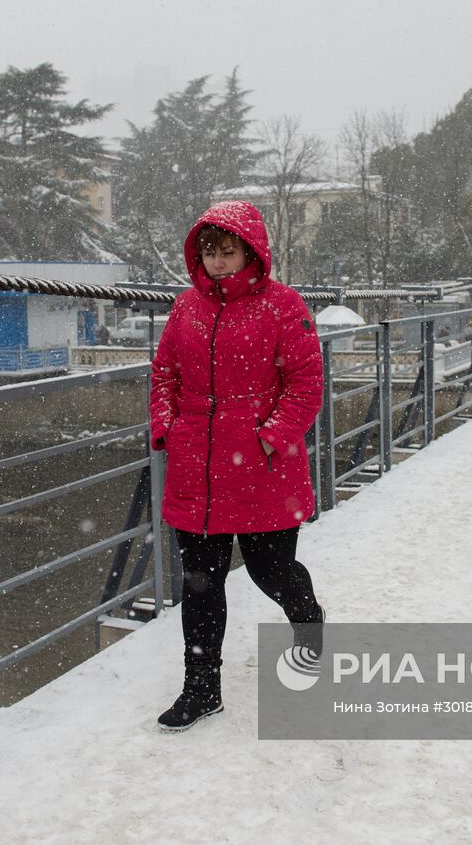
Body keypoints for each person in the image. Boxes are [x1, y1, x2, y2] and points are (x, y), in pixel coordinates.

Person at [149, 200, 326, 732]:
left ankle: (308, 621)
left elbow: (305, 385)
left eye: (229, 252)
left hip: (261, 471)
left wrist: (269, 440)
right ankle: (201, 689)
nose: (219, 263)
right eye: (211, 253)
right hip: (196, 469)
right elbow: (164, 375)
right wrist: (168, 427)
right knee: (200, 586)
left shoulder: (283, 305)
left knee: (273, 573)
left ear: (251, 253)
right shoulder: (186, 309)